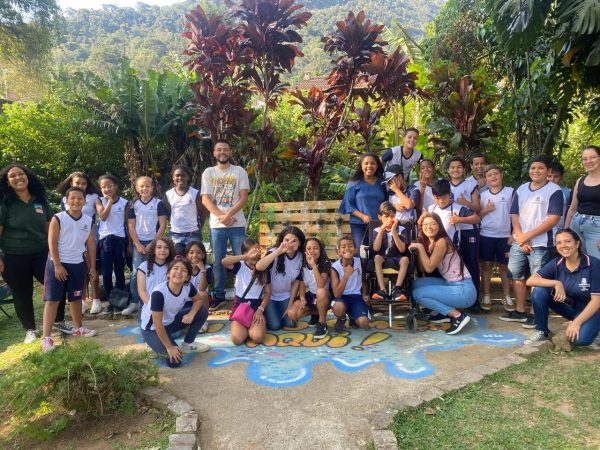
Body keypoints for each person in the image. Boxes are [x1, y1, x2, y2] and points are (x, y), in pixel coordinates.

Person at [500, 155, 563, 327]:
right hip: (520, 241)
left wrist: (527, 237)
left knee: (537, 278)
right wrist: (521, 237)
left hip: (542, 243)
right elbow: (514, 214)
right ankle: (520, 311)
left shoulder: (554, 190)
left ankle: (535, 314)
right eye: (533, 168)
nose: (536, 171)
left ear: (548, 171)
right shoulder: (521, 189)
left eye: (540, 168)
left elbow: (553, 219)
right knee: (516, 275)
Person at [0, 164, 54, 343]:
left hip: (41, 253)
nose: (17, 178)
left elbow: (51, 229)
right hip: (13, 256)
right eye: (12, 176)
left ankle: (59, 322)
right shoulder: (5, 203)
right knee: (22, 293)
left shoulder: (40, 200)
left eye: (20, 174)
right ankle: (30, 330)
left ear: (28, 176)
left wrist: (56, 252)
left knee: (55, 286)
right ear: (8, 182)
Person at [41, 187, 97, 352]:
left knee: (76, 298)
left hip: (77, 264)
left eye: (80, 198)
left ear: (85, 201)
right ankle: (46, 338)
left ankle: (78, 328)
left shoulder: (88, 220)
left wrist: (92, 266)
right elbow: (52, 242)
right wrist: (57, 265)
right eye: (72, 198)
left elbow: (91, 245)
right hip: (56, 263)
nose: (76, 201)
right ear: (66, 200)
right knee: (52, 300)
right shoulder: (58, 218)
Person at [524, 228, 600, 349]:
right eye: (559, 242)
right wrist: (556, 283)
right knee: (539, 291)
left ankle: (594, 330)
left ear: (577, 243)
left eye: (567, 241)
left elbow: (597, 301)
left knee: (580, 340)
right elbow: (530, 280)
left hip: (594, 311)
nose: (563, 245)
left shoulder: (594, 264)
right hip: (572, 310)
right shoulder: (557, 263)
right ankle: (541, 331)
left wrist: (576, 323)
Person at [201, 140, 250, 311]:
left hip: (237, 224)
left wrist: (229, 215)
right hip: (217, 225)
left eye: (225, 149)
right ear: (214, 153)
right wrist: (223, 216)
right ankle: (219, 296)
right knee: (218, 261)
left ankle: (243, 294)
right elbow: (205, 199)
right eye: (219, 150)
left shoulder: (239, 171)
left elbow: (244, 197)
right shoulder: (208, 172)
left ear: (230, 152)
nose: (222, 152)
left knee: (242, 259)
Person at [409, 213, 477, 335]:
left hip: (464, 291)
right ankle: (443, 313)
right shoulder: (431, 243)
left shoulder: (442, 242)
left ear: (439, 226)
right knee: (417, 284)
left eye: (433, 224)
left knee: (417, 294)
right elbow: (422, 268)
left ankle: (457, 315)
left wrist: (419, 247)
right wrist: (420, 248)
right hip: (452, 284)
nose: (428, 227)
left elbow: (429, 268)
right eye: (425, 224)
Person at [141, 257, 210, 368]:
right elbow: (157, 323)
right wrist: (169, 347)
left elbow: (198, 300)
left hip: (170, 323)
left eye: (183, 270)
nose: (179, 272)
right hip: (152, 329)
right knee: (174, 361)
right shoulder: (159, 293)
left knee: (201, 311)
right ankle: (152, 343)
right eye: (176, 268)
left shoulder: (187, 286)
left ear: (187, 277)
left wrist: (191, 313)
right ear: (168, 273)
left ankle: (188, 344)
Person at [56, 172, 102, 314]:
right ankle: (82, 300)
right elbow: (64, 219)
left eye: (83, 183)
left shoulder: (94, 197)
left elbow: (101, 214)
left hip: (89, 235)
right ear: (71, 184)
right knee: (79, 269)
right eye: (77, 183)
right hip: (72, 238)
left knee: (91, 267)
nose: (80, 186)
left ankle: (96, 299)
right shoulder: (65, 199)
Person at [124, 176, 168, 316]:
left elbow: (162, 225)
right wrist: (137, 244)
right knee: (136, 272)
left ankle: (156, 300)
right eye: (141, 186)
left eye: (147, 186)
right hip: (139, 243)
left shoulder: (158, 203)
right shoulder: (133, 204)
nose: (145, 189)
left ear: (152, 187)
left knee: (155, 271)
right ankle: (135, 302)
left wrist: (153, 243)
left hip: (154, 241)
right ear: (137, 188)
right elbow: (131, 225)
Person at [478, 164, 515, 311]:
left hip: (505, 236)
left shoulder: (511, 192)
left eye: (495, 174)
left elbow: (516, 215)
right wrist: (485, 210)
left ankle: (506, 296)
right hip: (486, 235)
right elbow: (477, 216)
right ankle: (486, 295)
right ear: (485, 179)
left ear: (501, 175)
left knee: (504, 267)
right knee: (486, 266)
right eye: (489, 175)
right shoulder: (483, 195)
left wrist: (513, 233)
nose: (493, 177)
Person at [222, 239, 271, 345]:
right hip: (240, 306)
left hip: (256, 307)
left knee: (257, 338)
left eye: (259, 250)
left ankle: (252, 326)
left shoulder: (263, 266)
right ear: (245, 253)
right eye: (254, 250)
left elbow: (267, 292)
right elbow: (224, 261)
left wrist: (260, 309)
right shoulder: (239, 265)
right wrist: (246, 257)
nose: (257, 253)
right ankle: (243, 326)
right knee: (237, 339)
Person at [256, 226, 305, 331]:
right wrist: (278, 251)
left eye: (294, 241)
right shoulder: (274, 252)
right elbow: (259, 267)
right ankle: (267, 313)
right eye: (287, 240)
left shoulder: (301, 257)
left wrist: (290, 305)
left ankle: (277, 313)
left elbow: (296, 283)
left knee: (291, 323)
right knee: (275, 325)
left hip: (286, 296)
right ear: (282, 241)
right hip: (270, 296)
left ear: (300, 243)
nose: (290, 244)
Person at [338, 153, 387, 252]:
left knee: (377, 253)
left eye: (373, 163)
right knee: (360, 254)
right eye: (366, 163)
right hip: (358, 225)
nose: (369, 166)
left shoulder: (382, 183)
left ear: (377, 166)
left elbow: (386, 203)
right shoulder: (354, 182)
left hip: (379, 224)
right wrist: (363, 216)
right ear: (361, 165)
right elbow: (348, 204)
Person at [96, 174, 129, 315]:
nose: (107, 189)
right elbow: (103, 216)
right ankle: (111, 302)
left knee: (120, 272)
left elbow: (128, 224)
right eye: (103, 187)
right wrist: (108, 202)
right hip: (105, 241)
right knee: (107, 273)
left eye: (109, 186)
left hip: (120, 240)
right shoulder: (99, 201)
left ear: (115, 186)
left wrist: (129, 244)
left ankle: (119, 302)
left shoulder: (125, 203)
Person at [287, 237, 331, 339]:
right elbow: (302, 283)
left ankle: (322, 323)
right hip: (312, 296)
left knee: (320, 291)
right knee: (292, 313)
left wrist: (314, 265)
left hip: (325, 296)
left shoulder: (325, 263)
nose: (312, 251)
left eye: (315, 248)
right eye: (309, 248)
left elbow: (321, 284)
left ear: (320, 250)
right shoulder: (303, 264)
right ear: (305, 250)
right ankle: (315, 313)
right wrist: (302, 298)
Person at [370, 202, 410, 302]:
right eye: (386, 216)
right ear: (380, 217)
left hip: (397, 257)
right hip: (383, 257)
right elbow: (376, 248)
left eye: (392, 216)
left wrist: (393, 232)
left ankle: (397, 288)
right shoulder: (377, 230)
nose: (389, 219)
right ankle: (382, 289)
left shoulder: (401, 229)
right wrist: (382, 230)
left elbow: (402, 249)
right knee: (377, 257)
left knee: (405, 259)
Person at [565, 145, 600, 259]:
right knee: (580, 261)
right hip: (576, 224)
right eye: (585, 158)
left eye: (592, 157)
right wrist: (566, 231)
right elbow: (572, 208)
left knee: (596, 263)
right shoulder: (580, 180)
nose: (588, 161)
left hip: (596, 227)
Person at [163, 165, 207, 255]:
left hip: (193, 234)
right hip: (175, 235)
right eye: (177, 175)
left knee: (194, 261)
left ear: (188, 177)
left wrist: (198, 227)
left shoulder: (195, 193)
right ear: (173, 177)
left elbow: (202, 212)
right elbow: (167, 213)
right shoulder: (168, 194)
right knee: (176, 261)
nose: (180, 178)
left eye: (183, 175)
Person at [330, 236, 370, 332]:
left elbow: (364, 281)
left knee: (364, 324)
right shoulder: (334, 267)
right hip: (341, 298)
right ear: (339, 251)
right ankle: (342, 318)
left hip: (356, 297)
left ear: (355, 250)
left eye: (350, 246)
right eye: (343, 247)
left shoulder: (360, 262)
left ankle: (353, 316)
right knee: (338, 307)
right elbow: (337, 294)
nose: (347, 248)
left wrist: (365, 294)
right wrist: (346, 275)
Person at [137, 236, 175, 311]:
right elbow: (142, 291)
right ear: (154, 250)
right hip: (147, 306)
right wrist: (152, 307)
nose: (163, 250)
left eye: (166, 247)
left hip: (168, 307)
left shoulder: (173, 267)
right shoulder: (144, 266)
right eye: (159, 247)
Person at [185, 241, 212, 332]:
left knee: (202, 293)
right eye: (191, 252)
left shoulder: (207, 268)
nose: (195, 255)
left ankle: (203, 320)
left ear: (203, 255)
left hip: (201, 300)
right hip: (185, 300)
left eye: (199, 252)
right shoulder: (183, 268)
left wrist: (203, 270)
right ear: (187, 255)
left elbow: (201, 289)